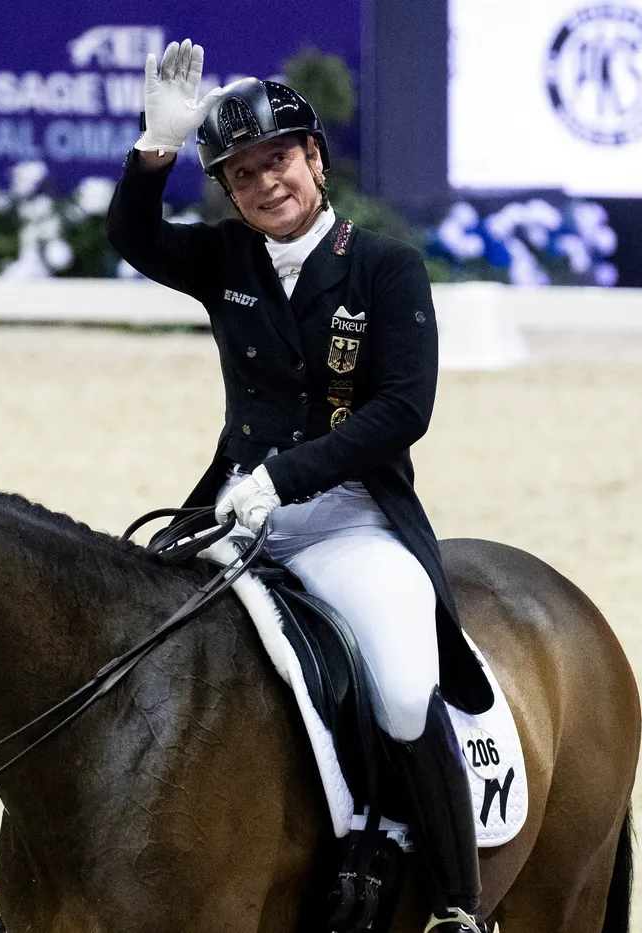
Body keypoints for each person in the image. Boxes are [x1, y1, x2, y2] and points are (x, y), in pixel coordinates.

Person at [106, 40, 496, 932]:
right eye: (240, 175)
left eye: (277, 160)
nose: (263, 184)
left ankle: (456, 904)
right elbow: (132, 236)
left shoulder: (384, 267)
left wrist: (285, 475)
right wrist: (155, 149)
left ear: (314, 158)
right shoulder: (228, 261)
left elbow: (402, 410)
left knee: (402, 689)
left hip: (350, 519)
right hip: (234, 514)